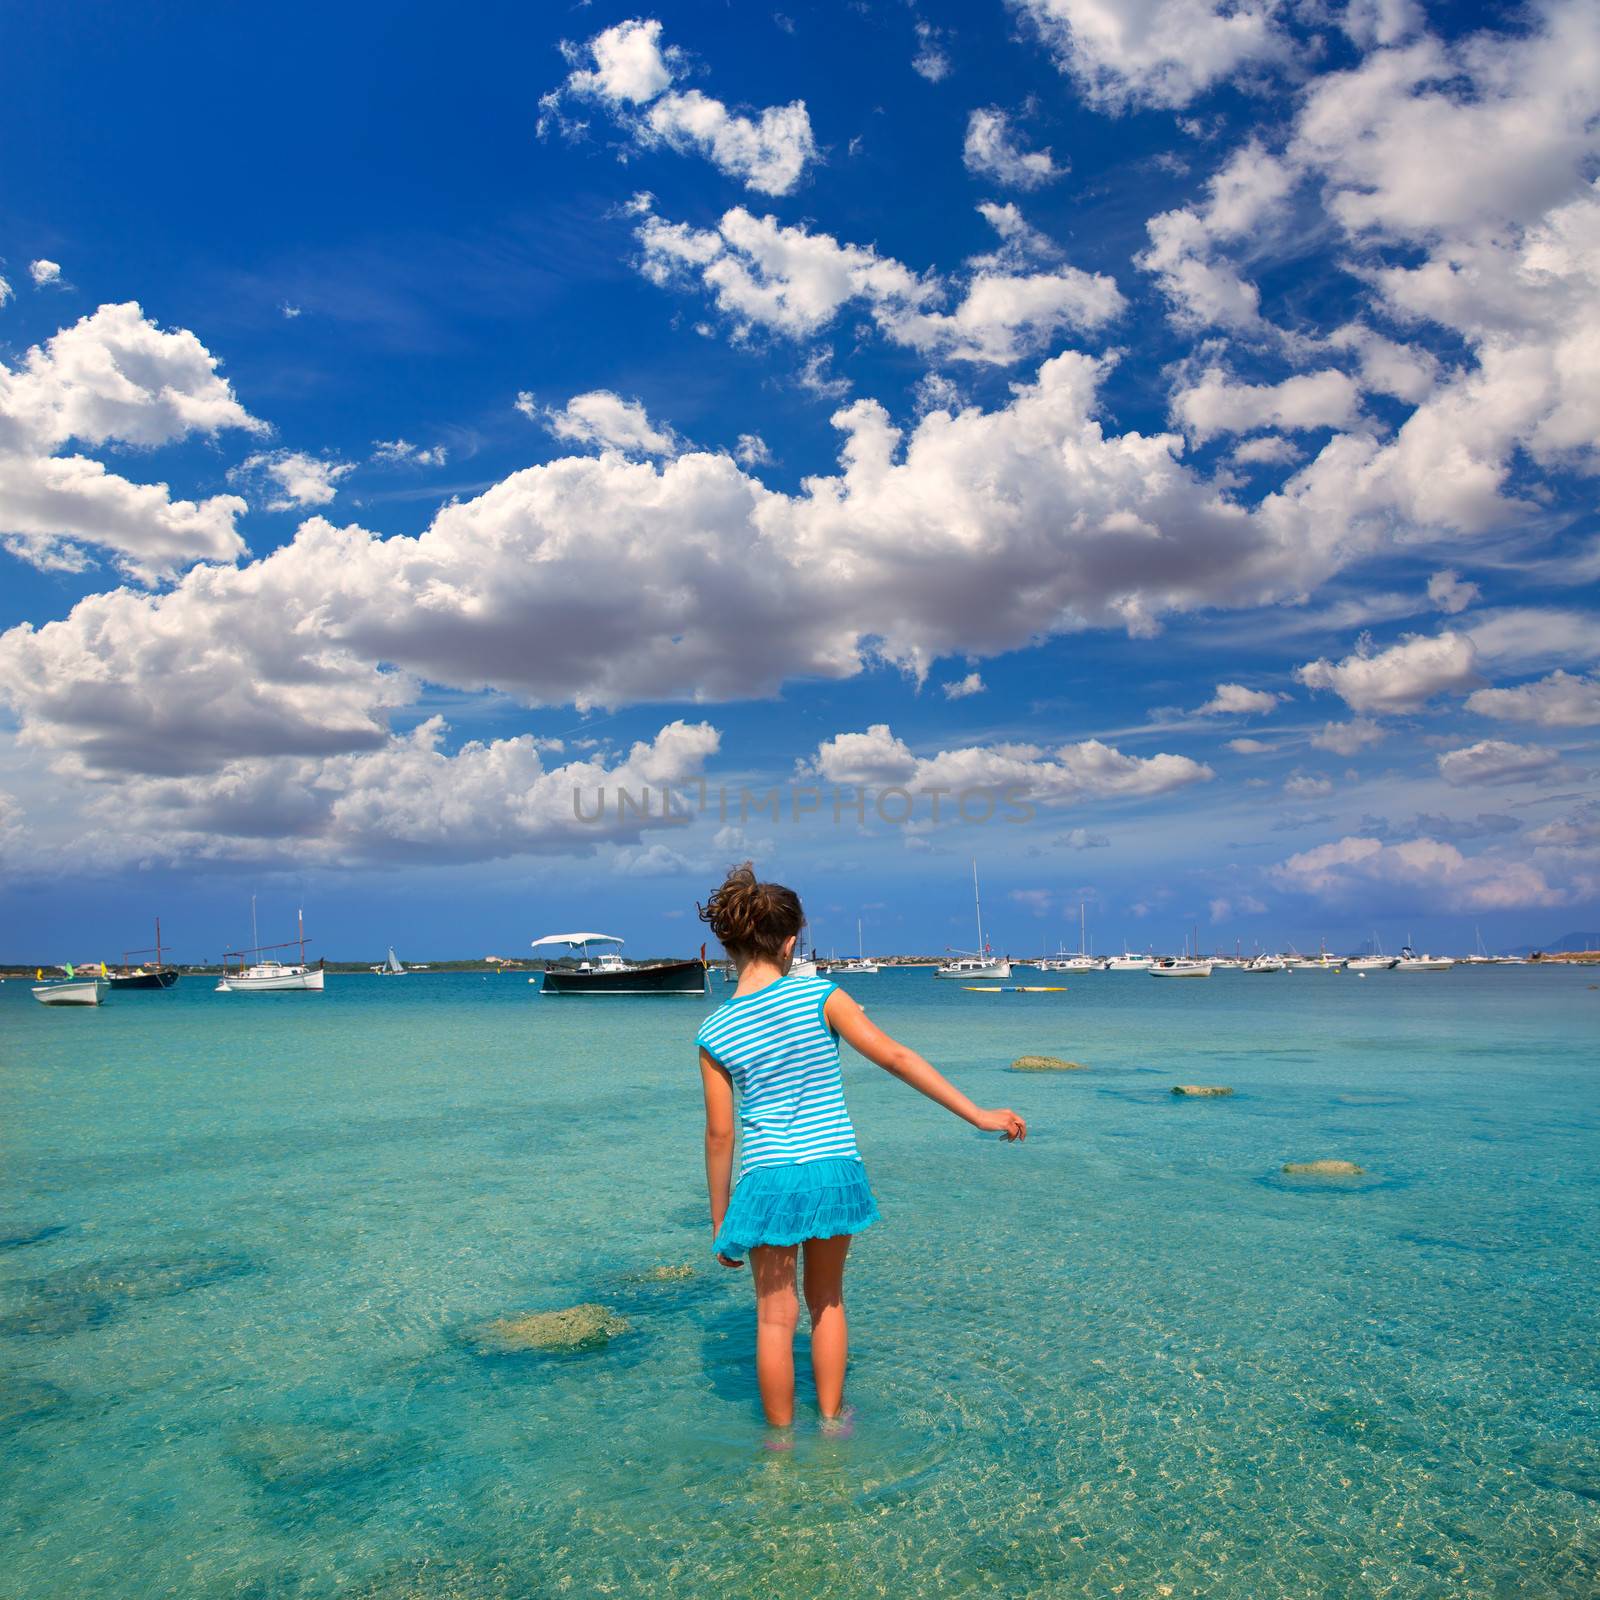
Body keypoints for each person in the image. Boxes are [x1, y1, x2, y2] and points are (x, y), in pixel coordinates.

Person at [696, 863, 1026, 1436]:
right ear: (793, 941)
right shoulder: (822, 997)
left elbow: (720, 1134)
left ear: (728, 941)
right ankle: (831, 1422)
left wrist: (722, 1218)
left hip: (767, 1182)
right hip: (831, 1171)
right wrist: (976, 1113)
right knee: (827, 1301)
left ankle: (777, 1448)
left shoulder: (715, 1031)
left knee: (775, 1320)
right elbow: (897, 1057)